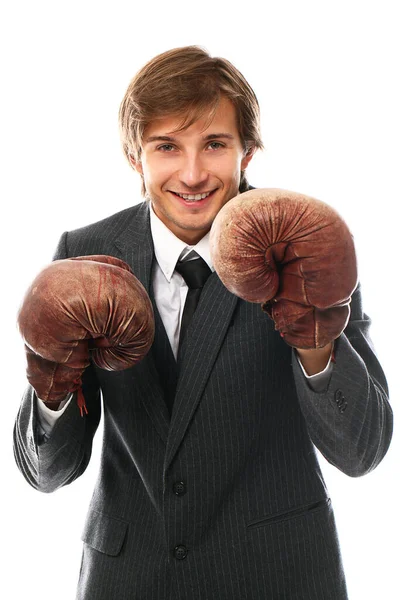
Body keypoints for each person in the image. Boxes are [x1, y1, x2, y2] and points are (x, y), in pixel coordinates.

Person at [14, 46, 393, 600]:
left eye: (214, 144)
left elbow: (362, 452)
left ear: (247, 152)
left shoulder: (304, 243)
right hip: (128, 580)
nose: (192, 174)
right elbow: (46, 473)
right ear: (134, 156)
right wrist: (53, 383)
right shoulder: (85, 250)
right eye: (167, 146)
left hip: (278, 577)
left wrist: (317, 342)